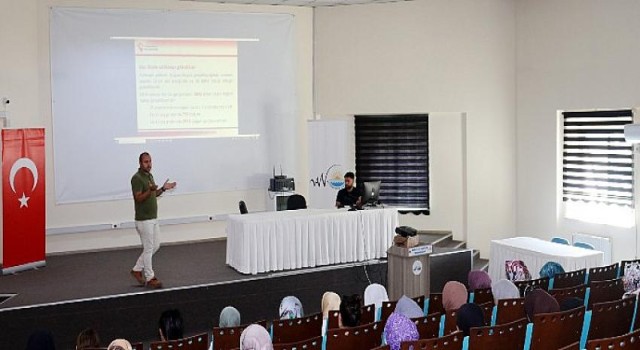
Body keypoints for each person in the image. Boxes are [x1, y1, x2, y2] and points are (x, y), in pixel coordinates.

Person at [130, 152, 176, 289]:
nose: (149, 164)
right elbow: (138, 198)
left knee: (155, 245)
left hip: (153, 217)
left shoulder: (149, 176)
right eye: (145, 162)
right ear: (140, 163)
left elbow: (153, 194)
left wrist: (163, 188)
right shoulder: (136, 178)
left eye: (150, 161)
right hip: (144, 219)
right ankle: (150, 277)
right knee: (149, 248)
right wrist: (149, 191)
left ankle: (137, 269)